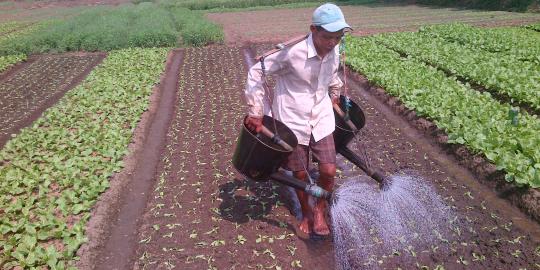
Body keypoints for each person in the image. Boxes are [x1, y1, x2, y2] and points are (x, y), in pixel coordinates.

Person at [244, 3, 351, 236]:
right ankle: (307, 212)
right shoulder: (291, 53)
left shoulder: (334, 50)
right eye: (328, 37)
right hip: (292, 120)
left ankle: (320, 210)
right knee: (300, 174)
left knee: (329, 171)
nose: (333, 43)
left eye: (338, 37)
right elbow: (256, 71)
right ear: (313, 29)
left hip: (321, 118)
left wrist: (334, 94)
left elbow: (332, 74)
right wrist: (256, 111)